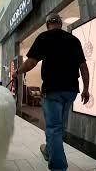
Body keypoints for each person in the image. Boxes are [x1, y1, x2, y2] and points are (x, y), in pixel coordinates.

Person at [13, 13, 90, 171]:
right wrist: (86, 89)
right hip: (71, 90)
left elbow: (32, 62)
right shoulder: (73, 40)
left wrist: (17, 72)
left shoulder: (44, 37)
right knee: (59, 127)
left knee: (54, 127)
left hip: (53, 89)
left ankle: (58, 166)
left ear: (47, 24)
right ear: (60, 24)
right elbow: (83, 67)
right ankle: (49, 151)